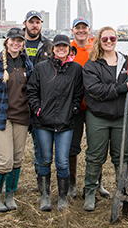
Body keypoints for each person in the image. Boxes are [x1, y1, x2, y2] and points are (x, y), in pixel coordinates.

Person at [81, 27, 128, 212]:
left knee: (122, 156)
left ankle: (122, 190)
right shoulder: (92, 64)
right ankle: (90, 191)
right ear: (99, 41)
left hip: (122, 116)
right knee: (95, 156)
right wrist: (121, 88)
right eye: (105, 38)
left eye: (112, 38)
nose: (109, 41)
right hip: (98, 116)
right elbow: (95, 89)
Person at [27, 34, 84, 211]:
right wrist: (37, 109)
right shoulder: (41, 68)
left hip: (65, 124)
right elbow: (32, 90)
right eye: (58, 46)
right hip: (43, 123)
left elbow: (78, 92)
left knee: (62, 162)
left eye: (64, 46)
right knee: (44, 160)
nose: (61, 49)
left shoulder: (76, 69)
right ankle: (44, 196)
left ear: (69, 49)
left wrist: (74, 109)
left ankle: (62, 197)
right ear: (53, 49)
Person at [0, 27, 34, 212]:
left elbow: (32, 90)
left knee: (18, 159)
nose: (16, 43)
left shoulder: (27, 63)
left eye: (19, 41)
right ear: (6, 41)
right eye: (13, 40)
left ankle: (10, 194)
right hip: (2, 117)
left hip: (22, 117)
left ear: (22, 44)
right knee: (5, 160)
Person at [67, 17, 109, 200]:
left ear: (89, 30)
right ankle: (71, 184)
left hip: (94, 105)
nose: (81, 31)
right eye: (78, 28)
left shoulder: (96, 47)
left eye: (84, 28)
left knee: (96, 147)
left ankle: (97, 183)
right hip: (74, 106)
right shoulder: (67, 48)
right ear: (73, 30)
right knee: (72, 147)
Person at [22, 10, 53, 191]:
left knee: (40, 147)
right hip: (19, 101)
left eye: (38, 22)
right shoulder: (16, 42)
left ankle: (41, 184)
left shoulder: (48, 45)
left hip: (40, 102)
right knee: (14, 148)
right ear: (25, 23)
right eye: (31, 22)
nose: (34, 25)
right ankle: (8, 183)